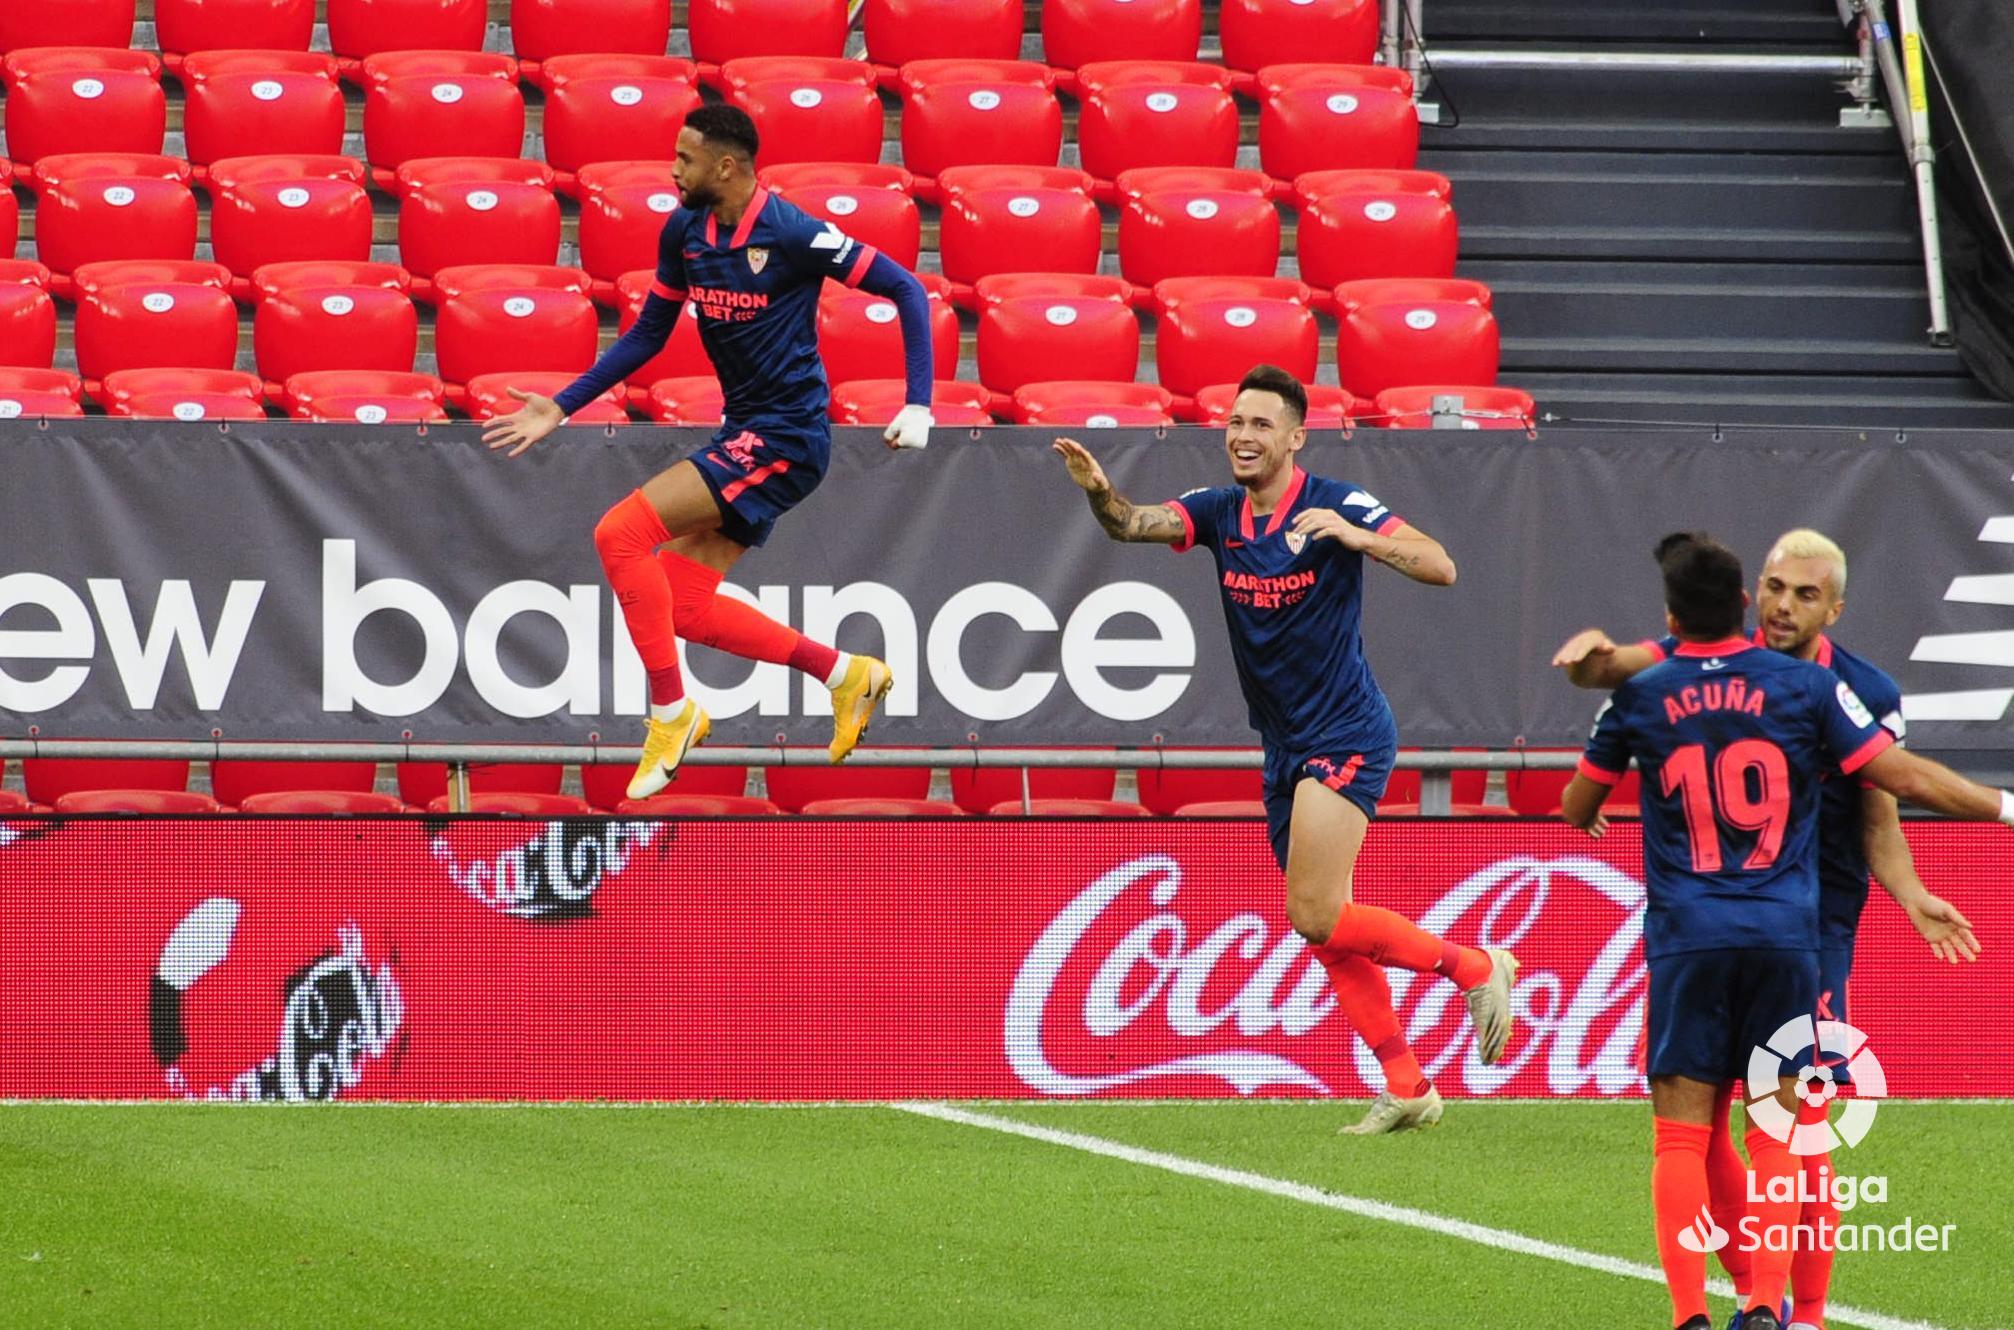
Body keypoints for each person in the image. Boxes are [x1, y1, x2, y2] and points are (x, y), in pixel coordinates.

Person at [1556, 532, 2014, 1330]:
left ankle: (1799, 1312)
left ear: (1834, 608)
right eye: (1773, 587)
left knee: (1781, 1122)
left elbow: (1881, 813)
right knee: (1746, 1119)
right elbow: (1621, 662)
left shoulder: (1858, 685)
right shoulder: (1723, 665)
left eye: (1804, 595)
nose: (1782, 605)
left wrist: (1908, 893)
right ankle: (1757, 1292)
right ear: (1749, 593)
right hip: (1779, 923)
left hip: (1814, 921)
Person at [1052, 363, 1518, 1135]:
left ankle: (1473, 967)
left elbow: (1441, 563)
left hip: (1347, 732)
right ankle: (1407, 1084)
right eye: (1235, 423)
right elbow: (1131, 524)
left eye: (1260, 425)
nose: (1242, 436)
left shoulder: (1336, 503)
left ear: (1297, 437)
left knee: (1312, 912)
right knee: (1323, 927)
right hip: (1284, 743)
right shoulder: (1219, 512)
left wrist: (1360, 537)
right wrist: (1099, 491)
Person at [482, 104, 936, 798]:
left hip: (788, 435)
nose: (673, 168)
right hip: (744, 431)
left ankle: (672, 714)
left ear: (726, 166)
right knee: (685, 605)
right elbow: (647, 335)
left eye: (685, 158)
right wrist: (563, 405)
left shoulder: (792, 232)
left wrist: (918, 403)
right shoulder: (685, 231)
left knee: (620, 533)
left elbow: (905, 286)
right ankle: (846, 674)